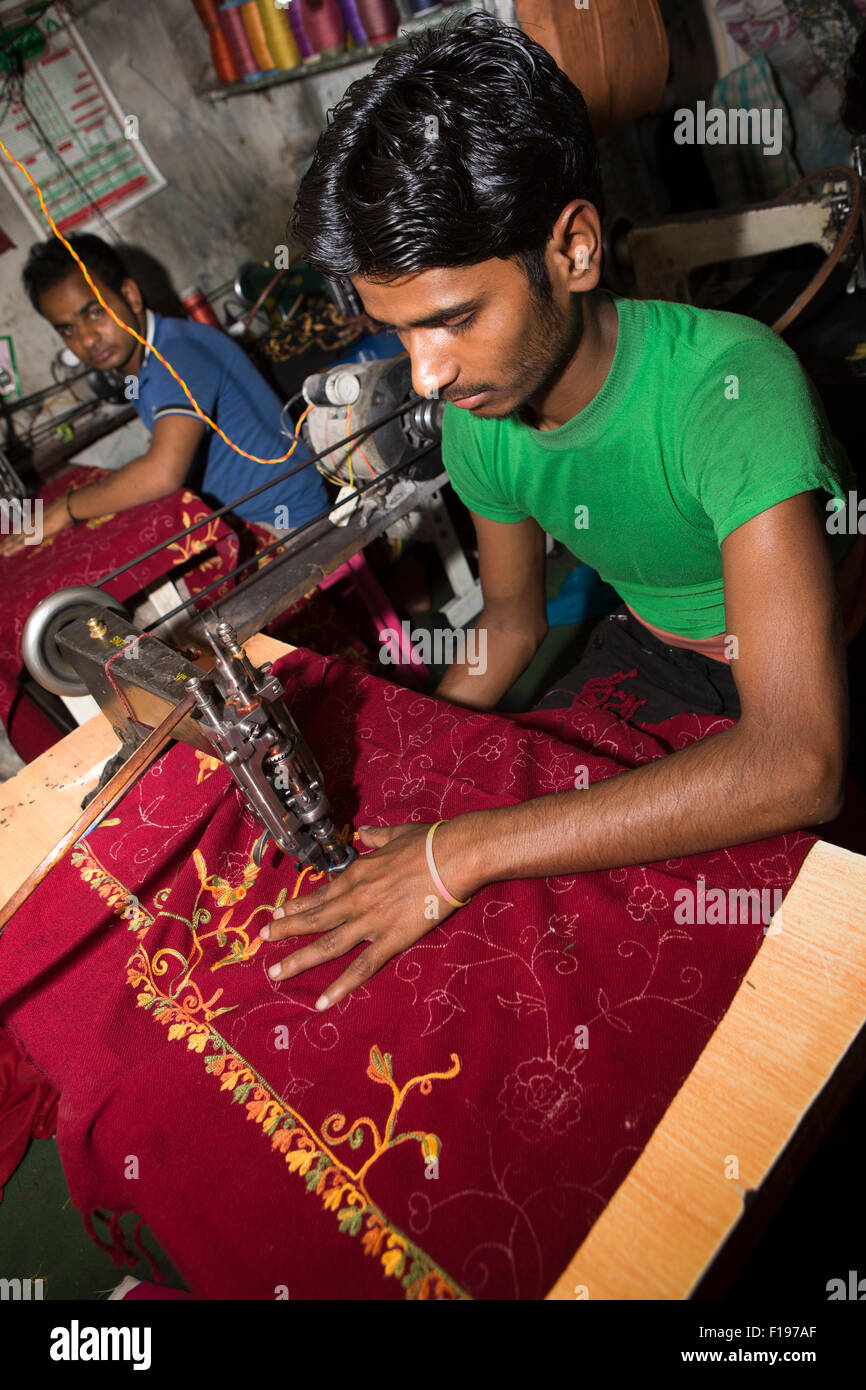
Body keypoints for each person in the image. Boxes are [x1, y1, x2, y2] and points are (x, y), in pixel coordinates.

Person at [265, 13, 864, 1008]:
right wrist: (412, 787)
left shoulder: (729, 387)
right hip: (654, 650)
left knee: (774, 990)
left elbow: (796, 760)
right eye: (399, 334)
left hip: (812, 668)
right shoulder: (480, 420)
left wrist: (462, 850)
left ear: (575, 247)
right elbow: (508, 627)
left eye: (453, 319)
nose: (425, 376)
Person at [0, 235, 328, 557]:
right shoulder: (151, 356)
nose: (86, 339)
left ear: (130, 295)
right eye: (67, 329)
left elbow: (162, 473)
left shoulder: (178, 356)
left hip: (290, 526)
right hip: (257, 516)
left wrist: (65, 509)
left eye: (95, 312)